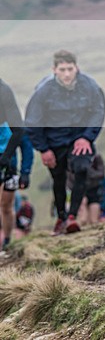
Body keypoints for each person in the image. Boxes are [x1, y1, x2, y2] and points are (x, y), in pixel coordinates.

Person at [25, 50, 105, 235]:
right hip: (54, 141)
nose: (67, 74)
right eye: (62, 69)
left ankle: (72, 216)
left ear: (76, 67)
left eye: (70, 69)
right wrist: (43, 149)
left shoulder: (90, 86)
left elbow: (98, 111)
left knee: (82, 169)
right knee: (58, 178)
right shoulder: (43, 91)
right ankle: (61, 217)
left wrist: (87, 137)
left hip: (80, 138)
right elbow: (32, 122)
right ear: (54, 70)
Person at [1, 79, 33, 250]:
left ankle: (7, 240)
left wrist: (25, 172)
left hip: (9, 164)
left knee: (6, 205)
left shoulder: (12, 120)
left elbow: (26, 144)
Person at [69, 152, 105, 227]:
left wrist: (89, 172)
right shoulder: (71, 159)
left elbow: (101, 174)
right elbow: (69, 178)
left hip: (94, 189)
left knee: (94, 220)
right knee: (83, 218)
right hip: (79, 190)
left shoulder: (96, 158)